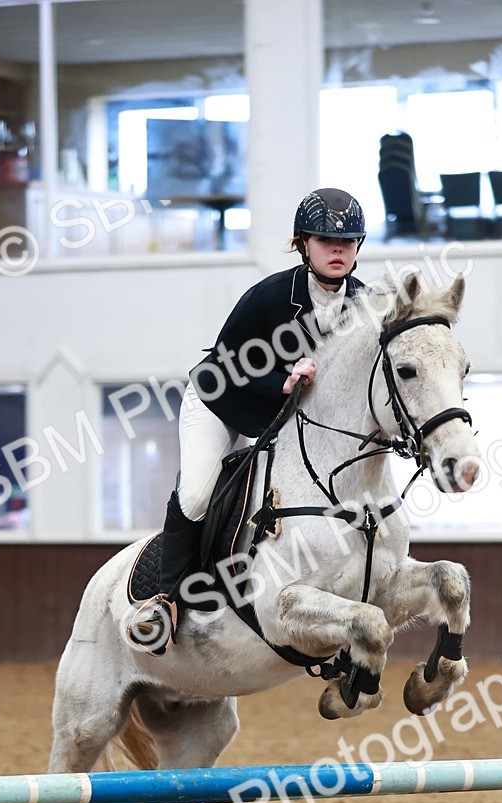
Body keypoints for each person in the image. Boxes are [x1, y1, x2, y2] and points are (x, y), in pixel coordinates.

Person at [129, 187, 367, 653]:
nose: (337, 251)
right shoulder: (270, 297)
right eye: (325, 241)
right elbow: (220, 368)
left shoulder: (364, 304)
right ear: (303, 244)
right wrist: (281, 380)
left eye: (348, 242)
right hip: (221, 403)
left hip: (286, 422)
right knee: (198, 491)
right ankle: (166, 599)